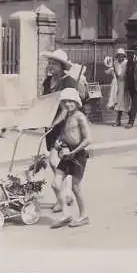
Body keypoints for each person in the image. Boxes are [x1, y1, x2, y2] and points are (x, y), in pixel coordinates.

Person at [41, 49, 78, 213]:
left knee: (57, 161)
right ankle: (64, 195)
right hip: (50, 126)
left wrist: (53, 123)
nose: (50, 66)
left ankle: (64, 196)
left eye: (54, 63)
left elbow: (66, 109)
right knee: (55, 162)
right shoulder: (48, 81)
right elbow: (44, 103)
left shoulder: (68, 82)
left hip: (64, 126)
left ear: (62, 66)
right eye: (49, 63)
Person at [51, 88, 92, 229]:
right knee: (55, 184)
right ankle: (66, 214)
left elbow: (88, 139)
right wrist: (59, 142)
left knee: (75, 187)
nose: (68, 104)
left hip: (78, 155)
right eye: (65, 101)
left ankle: (84, 216)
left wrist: (74, 151)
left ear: (76, 102)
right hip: (67, 153)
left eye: (71, 101)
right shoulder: (67, 116)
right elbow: (65, 134)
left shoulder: (80, 116)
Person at [105, 48, 131, 126]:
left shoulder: (126, 63)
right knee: (117, 103)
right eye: (119, 56)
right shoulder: (115, 63)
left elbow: (128, 74)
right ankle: (118, 120)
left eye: (122, 56)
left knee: (124, 103)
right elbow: (109, 71)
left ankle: (130, 119)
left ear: (124, 56)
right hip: (117, 85)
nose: (120, 57)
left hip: (124, 84)